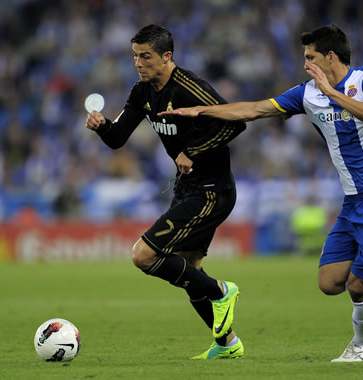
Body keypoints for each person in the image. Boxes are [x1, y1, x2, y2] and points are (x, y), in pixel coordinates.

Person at [159, 24, 363, 362]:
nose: (305, 63)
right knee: (329, 282)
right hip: (353, 203)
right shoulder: (307, 93)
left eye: (311, 57)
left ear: (331, 57)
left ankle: (362, 345)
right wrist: (201, 111)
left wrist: (331, 92)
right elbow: (254, 109)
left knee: (357, 285)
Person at [85, 24, 246, 360]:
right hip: (188, 188)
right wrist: (102, 128)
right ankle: (228, 344)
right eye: (135, 56)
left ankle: (221, 291)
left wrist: (194, 152)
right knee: (189, 269)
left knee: (143, 255)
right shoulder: (142, 92)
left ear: (166, 56)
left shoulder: (190, 88)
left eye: (146, 56)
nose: (138, 63)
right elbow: (117, 139)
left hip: (212, 192)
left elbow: (235, 122)